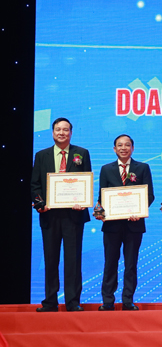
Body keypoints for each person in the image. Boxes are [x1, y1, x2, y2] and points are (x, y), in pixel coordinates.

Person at [30, 117, 91, 312]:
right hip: (50, 215)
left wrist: (83, 201)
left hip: (74, 215)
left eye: (65, 130)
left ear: (71, 133)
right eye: (58, 129)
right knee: (51, 259)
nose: (62, 133)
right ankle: (50, 301)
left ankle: (73, 302)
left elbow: (86, 181)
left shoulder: (82, 153)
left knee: (73, 260)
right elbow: (35, 184)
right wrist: (40, 203)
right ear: (52, 132)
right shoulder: (42, 155)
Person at [96, 134, 155, 311]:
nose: (123, 148)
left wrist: (139, 211)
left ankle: (128, 300)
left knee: (131, 264)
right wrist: (99, 210)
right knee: (110, 263)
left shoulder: (142, 168)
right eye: (120, 145)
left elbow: (149, 195)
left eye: (127, 145)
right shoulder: (106, 169)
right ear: (114, 149)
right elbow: (102, 196)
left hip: (134, 225)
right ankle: (108, 300)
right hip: (112, 225)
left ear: (132, 148)